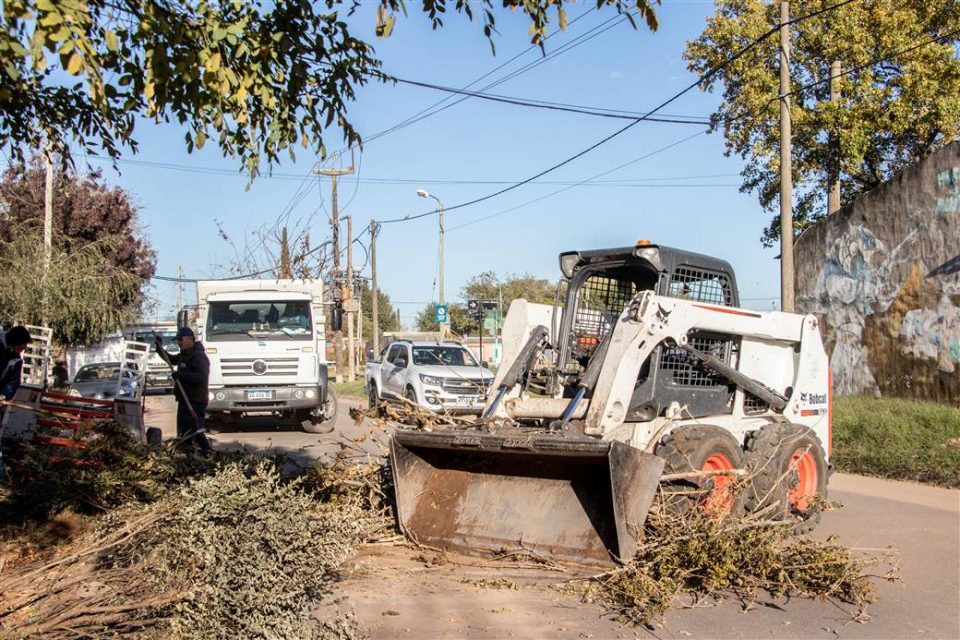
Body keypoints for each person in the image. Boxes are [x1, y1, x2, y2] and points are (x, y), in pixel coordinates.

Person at [155, 327, 212, 453]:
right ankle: (187, 455)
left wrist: (181, 376)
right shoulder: (184, 355)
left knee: (195, 430)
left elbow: (201, 377)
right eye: (177, 340)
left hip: (195, 401)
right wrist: (159, 349)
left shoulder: (198, 356)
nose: (179, 343)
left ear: (190, 339)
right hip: (184, 400)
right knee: (183, 432)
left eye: (180, 339)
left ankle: (207, 451)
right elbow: (171, 360)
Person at [0, 326, 31, 402]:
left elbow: (14, 382)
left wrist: (4, 395)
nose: (24, 348)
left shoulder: (16, 360)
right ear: (14, 342)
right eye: (20, 347)